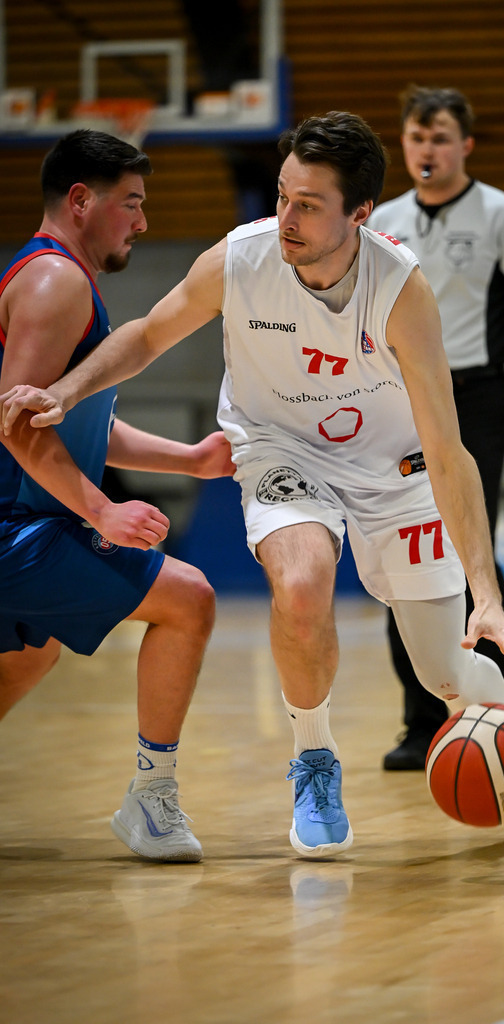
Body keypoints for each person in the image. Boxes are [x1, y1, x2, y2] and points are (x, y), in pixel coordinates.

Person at [0, 112, 504, 859]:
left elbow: (447, 448)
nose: (285, 218)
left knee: (440, 669)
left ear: (358, 214)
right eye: (282, 195)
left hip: (393, 465)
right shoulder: (240, 258)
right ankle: (313, 758)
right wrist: (66, 392)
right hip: (279, 447)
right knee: (301, 584)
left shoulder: (399, 288)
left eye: (307, 204)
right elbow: (145, 335)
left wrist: (485, 595)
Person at [0, 130, 236, 863]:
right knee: (188, 599)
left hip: (24, 520)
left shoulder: (58, 276)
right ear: (81, 200)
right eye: (130, 203)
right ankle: (151, 801)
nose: (141, 221)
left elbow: (74, 421)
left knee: (31, 656)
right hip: (16, 528)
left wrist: (190, 460)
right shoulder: (55, 283)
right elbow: (16, 425)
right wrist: (101, 510)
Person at [367, 86, 504, 818]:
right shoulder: (381, 220)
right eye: (416, 136)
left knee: (464, 544)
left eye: (440, 137)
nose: (426, 149)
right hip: (395, 394)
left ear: (464, 146)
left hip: (476, 392)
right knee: (401, 546)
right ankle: (424, 722)